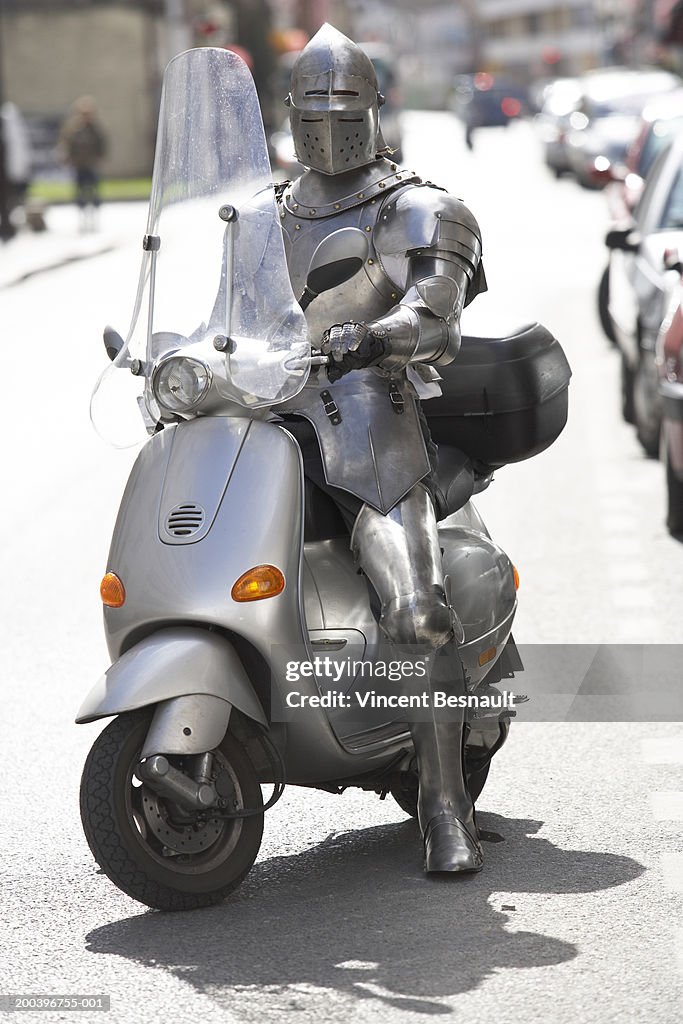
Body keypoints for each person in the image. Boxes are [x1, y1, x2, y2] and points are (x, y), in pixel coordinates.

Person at [276, 24, 488, 874]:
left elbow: (436, 316)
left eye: (344, 110)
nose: (328, 130)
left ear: (373, 108)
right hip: (266, 414)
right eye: (313, 114)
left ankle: (444, 807)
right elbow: (225, 319)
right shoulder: (259, 212)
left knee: (417, 612)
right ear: (289, 115)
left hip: (369, 418)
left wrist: (377, 338)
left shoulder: (420, 207)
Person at [58, 96, 107, 231]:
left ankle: (94, 218)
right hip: (79, 166)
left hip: (91, 165)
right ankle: (82, 218)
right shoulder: (73, 129)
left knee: (94, 192)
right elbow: (67, 145)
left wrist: (99, 157)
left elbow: (101, 144)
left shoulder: (95, 129)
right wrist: (68, 159)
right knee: (80, 193)